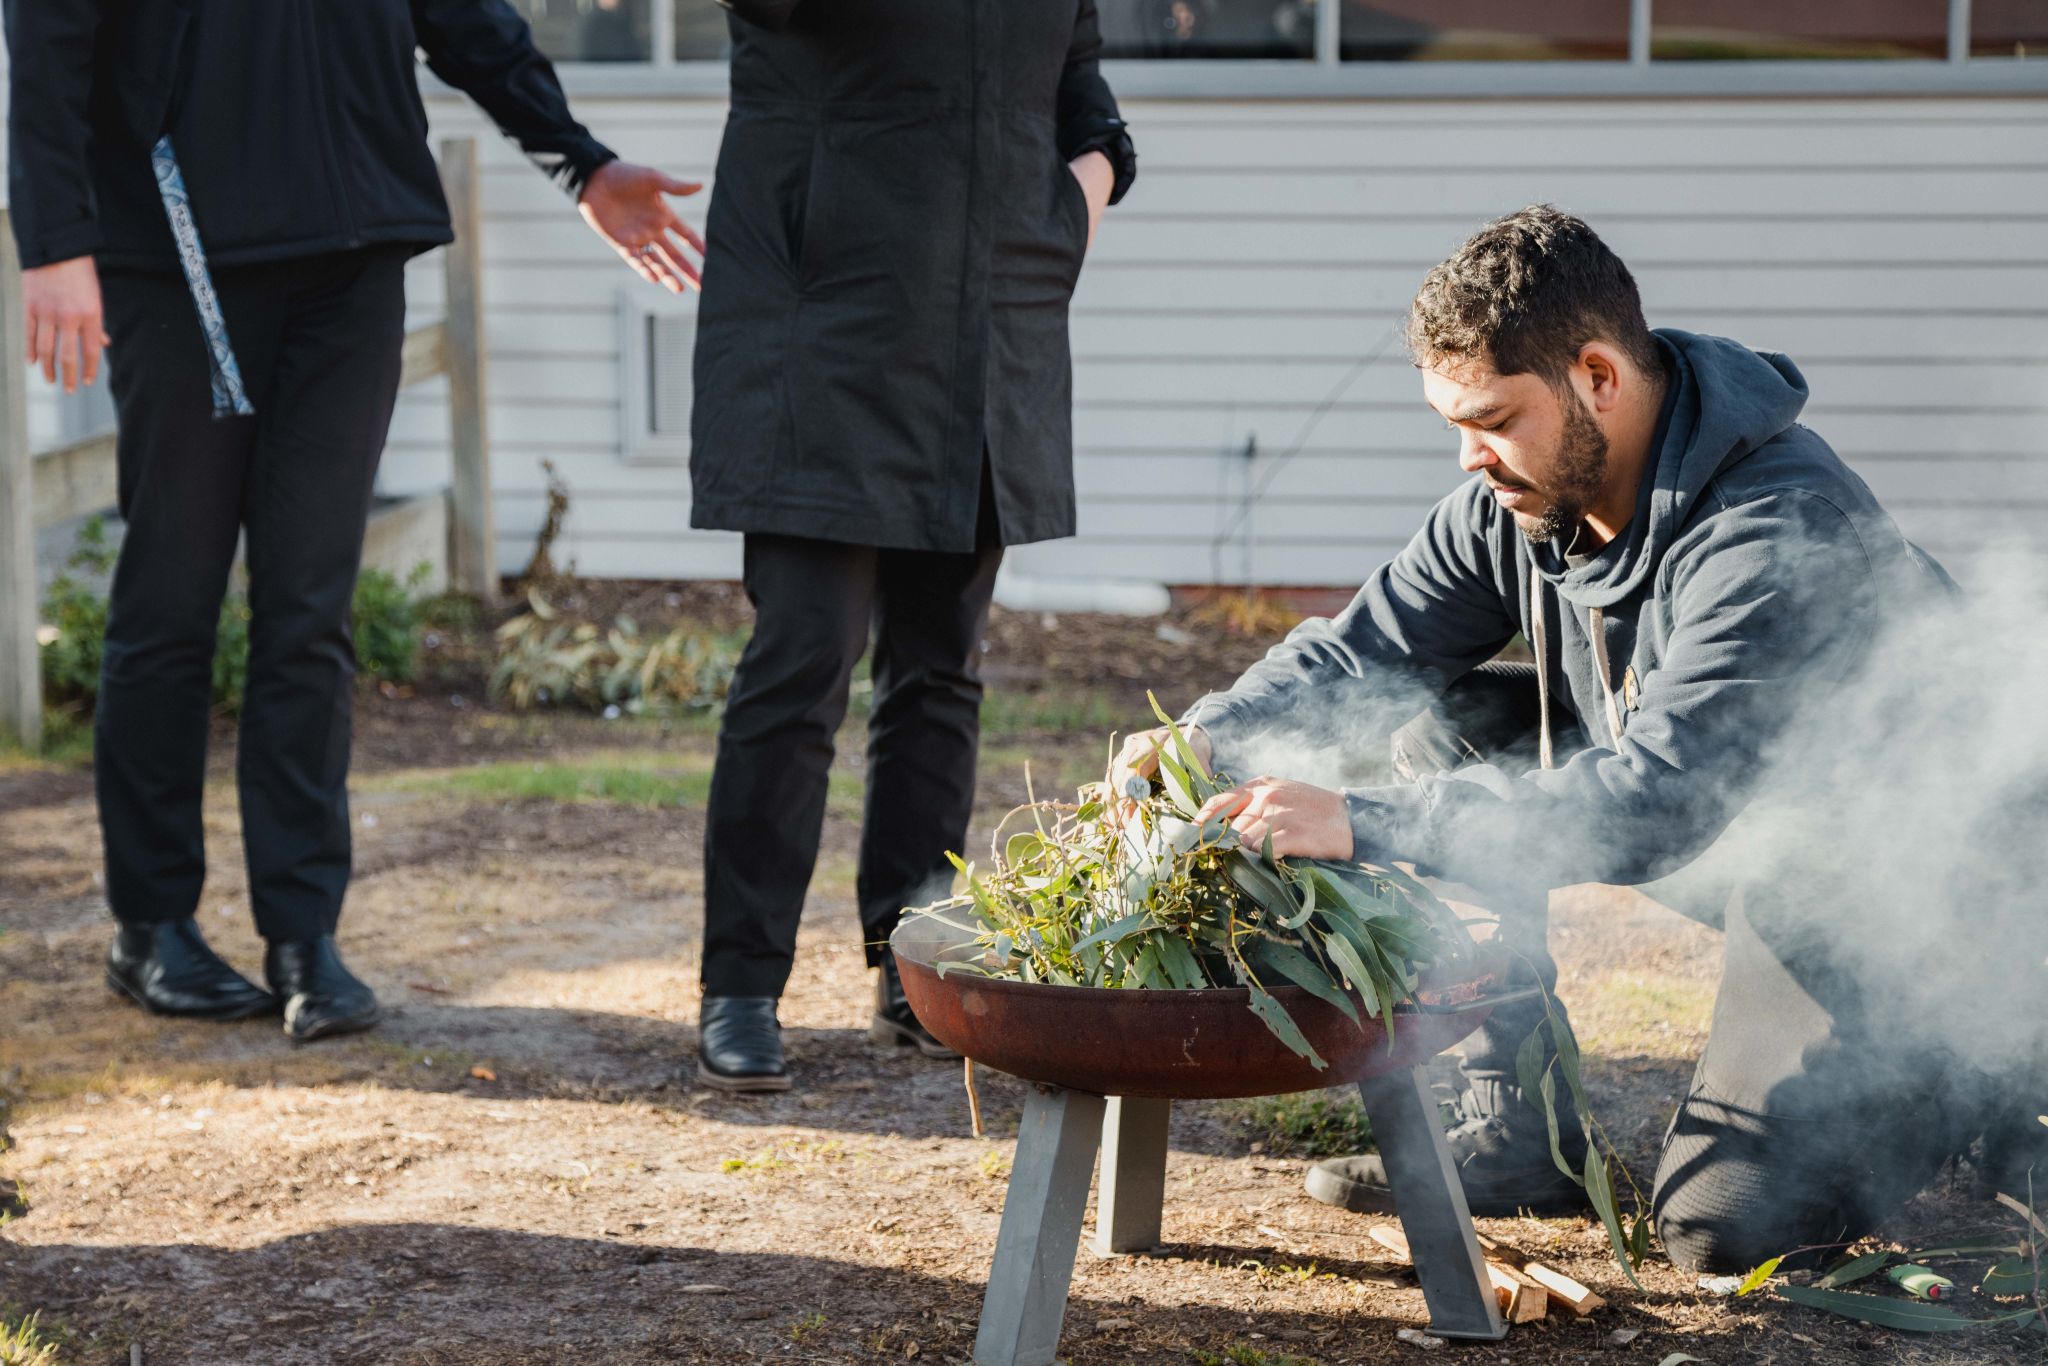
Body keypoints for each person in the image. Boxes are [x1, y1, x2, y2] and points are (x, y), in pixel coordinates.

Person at [1112, 207, 2042, 1272]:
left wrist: (1359, 823)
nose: (1468, 457)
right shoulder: (1517, 500)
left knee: (1719, 1229)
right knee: (1445, 721)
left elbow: (1650, 804)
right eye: (1451, 423)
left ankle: (1982, 1072)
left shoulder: (1771, 529)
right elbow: (1356, 656)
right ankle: (1518, 1133)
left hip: (1903, 896)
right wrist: (1191, 742)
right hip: (1747, 844)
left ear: (1596, 375)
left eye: (1493, 418)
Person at [5, 0, 701, 1040]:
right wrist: (55, 241)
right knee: (171, 598)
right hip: (181, 245)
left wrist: (580, 162)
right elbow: (50, 39)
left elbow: (464, 16)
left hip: (353, 244)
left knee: (309, 607)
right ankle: (150, 927)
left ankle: (303, 936)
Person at [688, 0, 1136, 1091]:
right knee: (802, 658)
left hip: (985, 335)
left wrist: (1077, 200)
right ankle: (740, 984)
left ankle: (909, 968)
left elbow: (1083, 101)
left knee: (940, 671)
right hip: (820, 332)